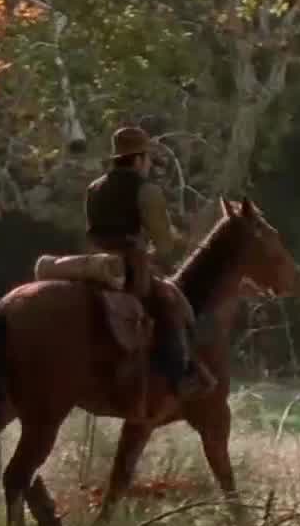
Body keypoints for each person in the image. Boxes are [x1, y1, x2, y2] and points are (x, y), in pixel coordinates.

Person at [84, 127, 212, 398]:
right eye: (148, 159)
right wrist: (169, 245)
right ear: (139, 159)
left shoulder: (93, 188)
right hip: (130, 267)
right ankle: (180, 376)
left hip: (94, 263)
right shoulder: (147, 191)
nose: (150, 164)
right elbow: (163, 245)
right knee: (170, 304)